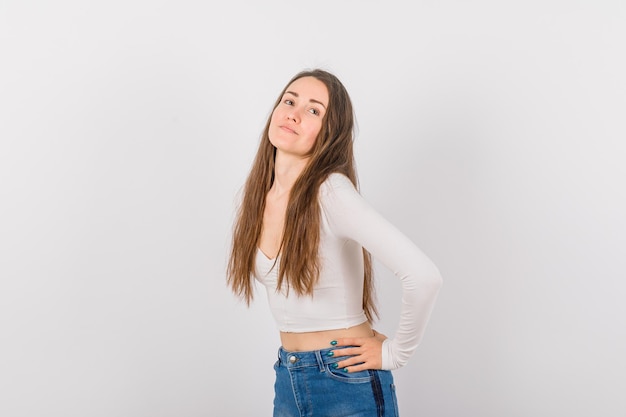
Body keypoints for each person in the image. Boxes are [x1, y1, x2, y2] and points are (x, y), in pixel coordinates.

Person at [227, 68, 442, 416]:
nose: (294, 113)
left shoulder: (330, 192)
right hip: (289, 377)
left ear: (330, 133)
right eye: (289, 100)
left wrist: (394, 353)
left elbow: (424, 275)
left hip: (344, 380)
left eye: (314, 110)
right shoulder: (255, 198)